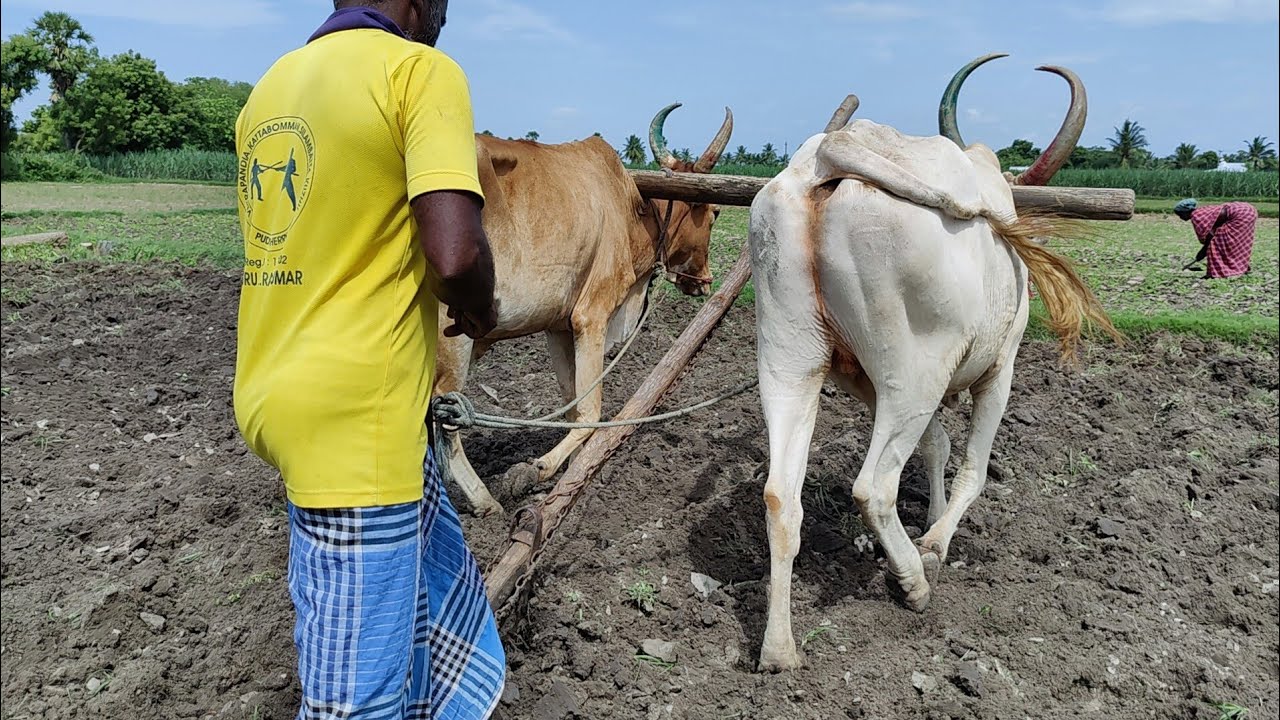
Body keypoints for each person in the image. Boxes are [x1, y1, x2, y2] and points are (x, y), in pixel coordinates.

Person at [232, 1, 505, 718]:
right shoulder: (420, 71)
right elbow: (455, 251)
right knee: (355, 700)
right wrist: (481, 304)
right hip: (358, 419)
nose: (445, 21)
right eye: (444, 6)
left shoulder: (271, 88)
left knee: (418, 593)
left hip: (274, 389)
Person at [1174, 198, 1259, 279]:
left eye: (1180, 215)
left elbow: (1209, 236)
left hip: (1239, 214)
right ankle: (1240, 268)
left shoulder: (1196, 216)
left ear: (1186, 212)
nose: (1181, 218)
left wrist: (1202, 252)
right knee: (1236, 243)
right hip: (1248, 210)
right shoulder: (1202, 211)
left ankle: (1218, 273)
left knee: (1217, 244)